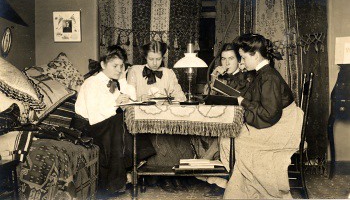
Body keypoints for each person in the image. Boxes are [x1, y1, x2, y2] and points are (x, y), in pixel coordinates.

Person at [223, 33, 304, 199]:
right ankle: (249, 188)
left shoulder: (269, 77)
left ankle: (254, 190)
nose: (242, 62)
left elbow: (269, 114)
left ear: (255, 55)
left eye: (244, 58)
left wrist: (243, 102)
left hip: (283, 129)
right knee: (228, 139)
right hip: (277, 123)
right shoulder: (262, 73)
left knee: (231, 141)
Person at [75, 46, 155, 197]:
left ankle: (132, 162)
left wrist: (130, 95)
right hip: (88, 126)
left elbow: (122, 104)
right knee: (120, 121)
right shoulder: (92, 83)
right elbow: (94, 116)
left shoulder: (112, 82)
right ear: (103, 64)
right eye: (115, 66)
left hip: (105, 123)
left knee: (130, 116)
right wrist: (117, 103)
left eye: (121, 66)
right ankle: (130, 164)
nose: (119, 69)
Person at [127, 40, 193, 193]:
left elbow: (180, 97)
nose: (155, 63)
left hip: (165, 118)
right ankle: (166, 177)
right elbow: (128, 97)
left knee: (178, 138)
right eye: (151, 59)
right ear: (145, 57)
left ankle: (177, 176)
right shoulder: (135, 71)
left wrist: (170, 100)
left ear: (163, 57)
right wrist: (140, 98)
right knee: (162, 139)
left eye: (158, 59)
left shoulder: (168, 73)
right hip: (144, 121)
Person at [197, 43, 256, 197]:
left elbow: (241, 102)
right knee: (199, 133)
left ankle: (219, 178)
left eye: (231, 59)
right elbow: (207, 98)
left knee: (222, 138)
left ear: (238, 60)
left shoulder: (246, 77)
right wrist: (213, 79)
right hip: (219, 121)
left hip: (241, 124)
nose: (227, 63)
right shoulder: (219, 76)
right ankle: (213, 177)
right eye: (223, 59)